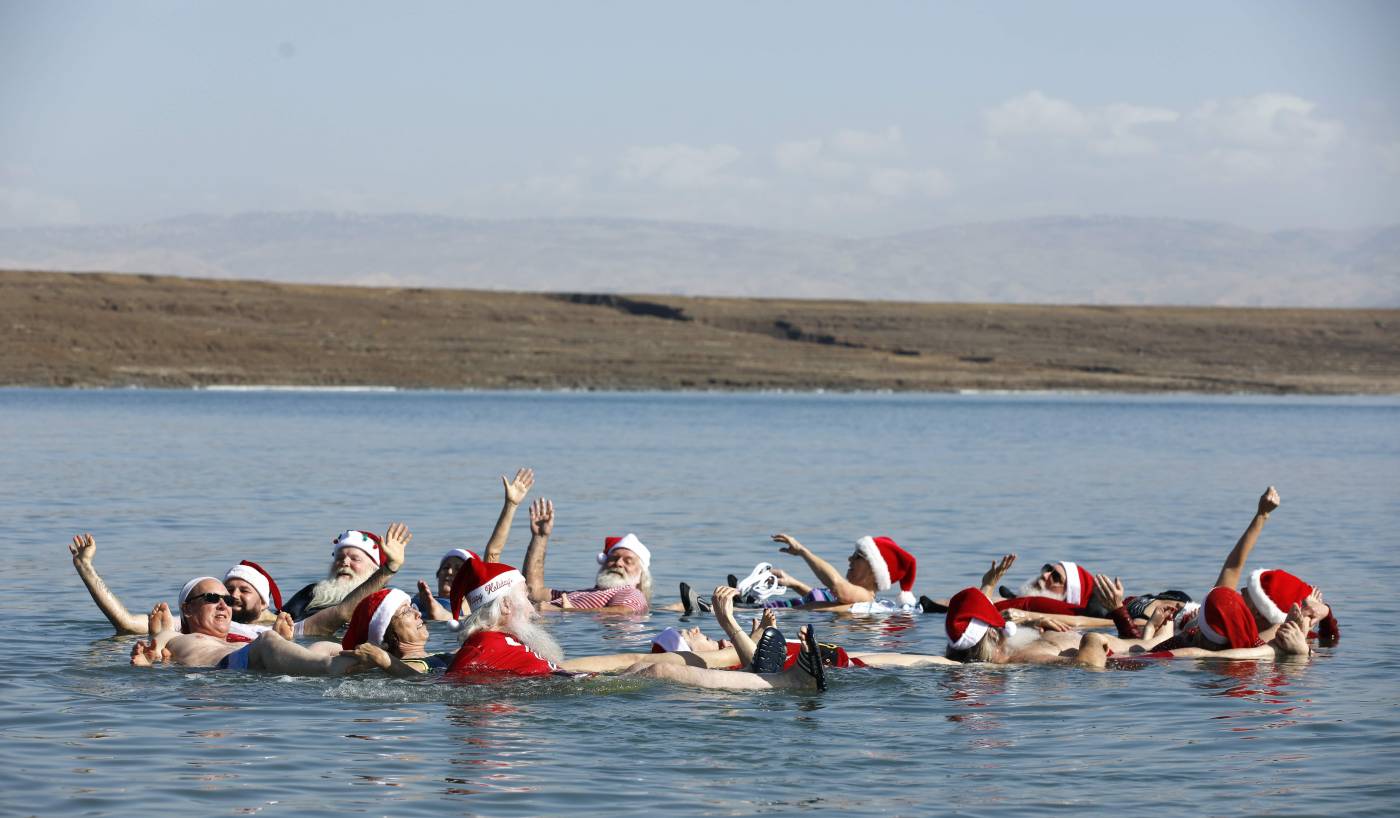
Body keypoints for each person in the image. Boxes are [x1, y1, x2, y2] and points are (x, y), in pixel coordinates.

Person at [128, 578, 367, 674]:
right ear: (187, 609)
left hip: (251, 664)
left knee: (323, 645)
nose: (223, 605)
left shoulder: (236, 637)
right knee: (267, 642)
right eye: (212, 599)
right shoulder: (176, 635)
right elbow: (155, 652)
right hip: (225, 668)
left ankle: (375, 658)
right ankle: (330, 667)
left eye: (228, 601)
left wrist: (286, 642)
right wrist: (152, 649)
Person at [678, 533, 918, 614]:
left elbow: (837, 586)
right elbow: (825, 594)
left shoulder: (866, 598)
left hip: (785, 614)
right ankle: (728, 604)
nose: (849, 559)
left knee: (690, 607)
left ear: (875, 571)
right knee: (679, 607)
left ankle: (719, 608)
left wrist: (803, 551)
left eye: (857, 556)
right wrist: (792, 583)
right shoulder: (851, 598)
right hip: (782, 610)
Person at [415, 467, 535, 619]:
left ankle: (440, 614)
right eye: (446, 567)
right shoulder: (419, 598)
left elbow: (493, 552)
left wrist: (511, 505)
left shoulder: (475, 605)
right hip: (423, 617)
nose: (450, 572)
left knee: (455, 618)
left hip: (454, 617)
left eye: (458, 569)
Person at [520, 499, 651, 613]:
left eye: (628, 561)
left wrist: (565, 611)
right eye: (613, 558)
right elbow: (533, 592)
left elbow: (625, 612)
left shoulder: (630, 592)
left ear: (641, 575)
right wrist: (540, 537)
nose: (619, 563)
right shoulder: (581, 594)